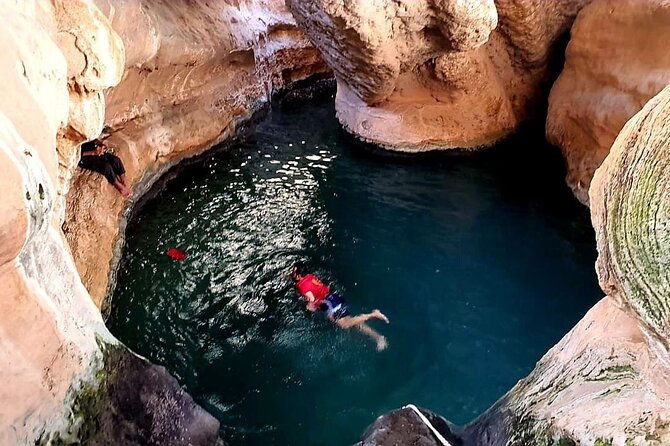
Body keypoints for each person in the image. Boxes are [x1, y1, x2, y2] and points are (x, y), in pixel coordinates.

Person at [291, 262, 389, 351]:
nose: (292, 271)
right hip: (334, 298)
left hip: (329, 304)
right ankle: (378, 338)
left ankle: (373, 315)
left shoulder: (303, 287)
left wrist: (308, 307)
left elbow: (311, 300)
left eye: (294, 271)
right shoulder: (308, 276)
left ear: (299, 276)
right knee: (355, 322)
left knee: (344, 325)